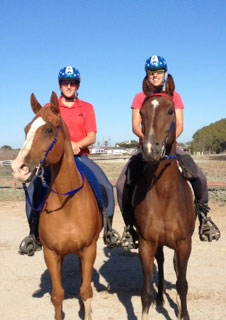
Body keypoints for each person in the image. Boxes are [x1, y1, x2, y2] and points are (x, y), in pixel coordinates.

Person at [116, 55, 220, 248]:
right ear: (147, 75)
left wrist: (167, 143)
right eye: (151, 72)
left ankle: (204, 219)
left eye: (158, 72)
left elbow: (179, 125)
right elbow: (135, 126)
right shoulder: (140, 97)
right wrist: (148, 140)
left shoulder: (175, 96)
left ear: (165, 74)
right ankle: (129, 227)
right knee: (122, 184)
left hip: (170, 146)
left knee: (200, 177)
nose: (155, 76)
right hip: (146, 147)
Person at [19, 66, 120, 256]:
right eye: (65, 82)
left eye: (72, 83)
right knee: (34, 188)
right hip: (55, 161)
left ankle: (108, 229)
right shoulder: (50, 109)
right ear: (60, 85)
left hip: (80, 157)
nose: (68, 86)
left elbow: (92, 136)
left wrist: (75, 144)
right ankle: (33, 234)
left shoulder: (87, 108)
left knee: (105, 185)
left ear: (77, 85)